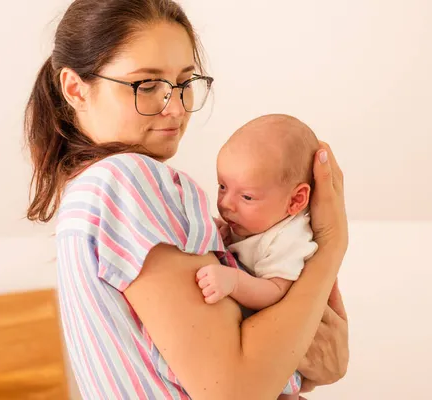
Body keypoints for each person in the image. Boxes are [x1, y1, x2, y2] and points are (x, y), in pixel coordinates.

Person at [24, 0, 349, 398]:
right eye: (147, 85)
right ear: (75, 88)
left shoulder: (86, 193)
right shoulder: (127, 180)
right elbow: (234, 389)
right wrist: (332, 244)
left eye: (183, 83)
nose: (176, 108)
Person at [196, 114, 320, 399]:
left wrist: (235, 282)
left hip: (283, 354)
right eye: (222, 187)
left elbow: (277, 292)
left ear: (296, 201)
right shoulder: (260, 218)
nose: (226, 203)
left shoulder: (289, 238)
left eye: (247, 197)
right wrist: (224, 234)